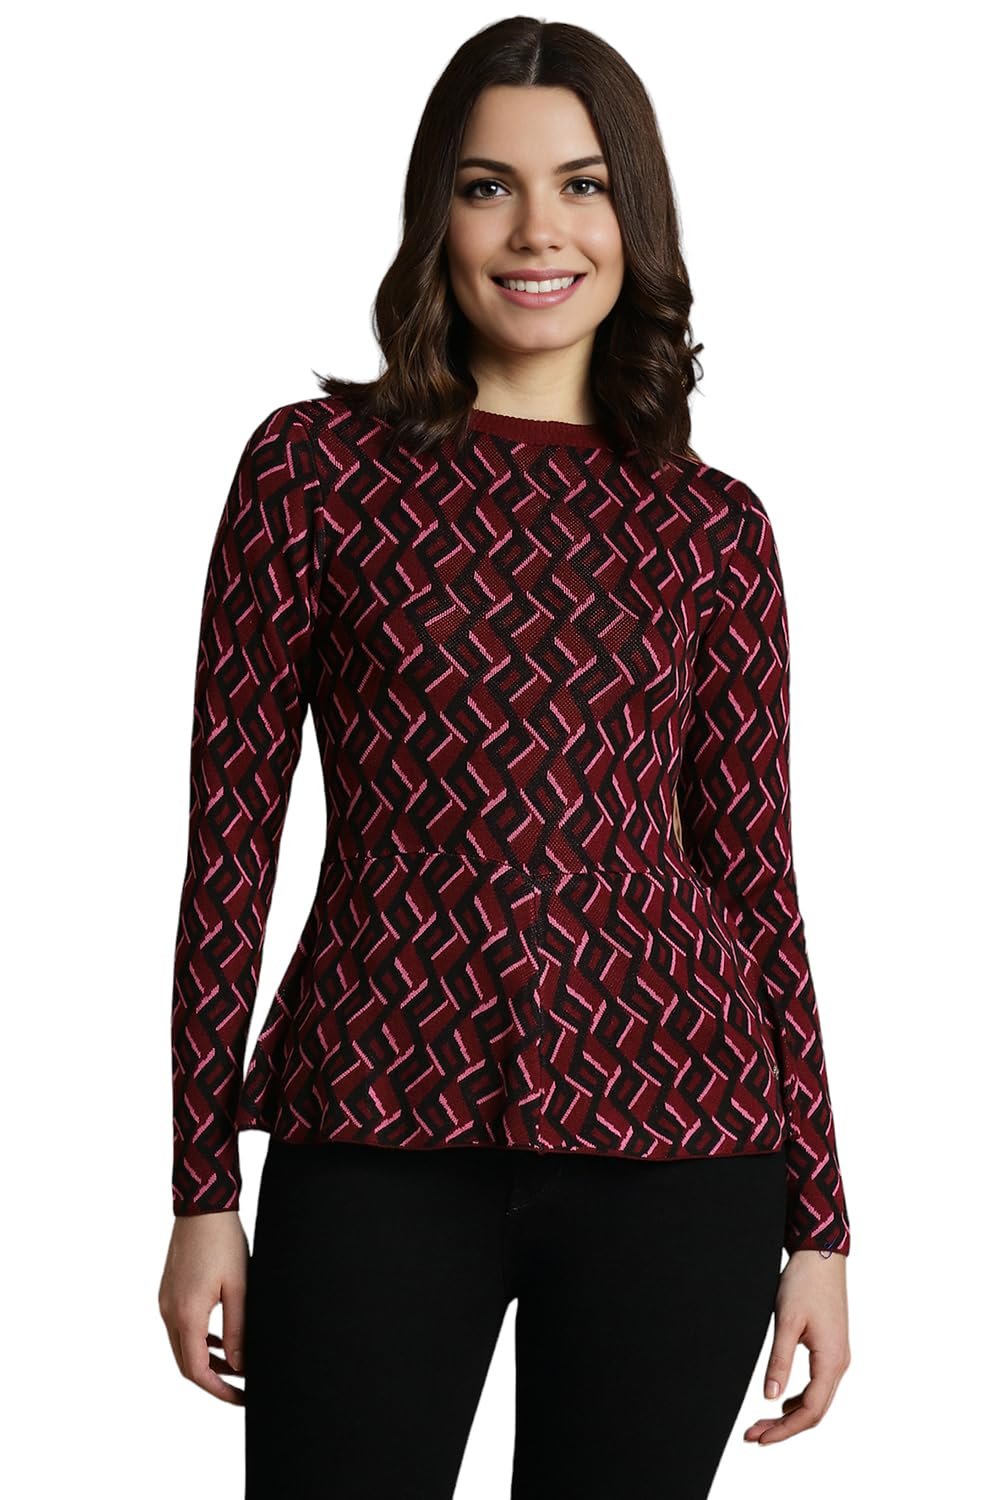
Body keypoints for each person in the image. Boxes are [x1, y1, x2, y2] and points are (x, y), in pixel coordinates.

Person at [158, 16, 851, 1498]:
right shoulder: (313, 472)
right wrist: (201, 1188)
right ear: (437, 216)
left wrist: (824, 1222)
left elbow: (754, 879)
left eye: (583, 185)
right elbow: (229, 846)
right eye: (489, 187)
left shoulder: (713, 527)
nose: (540, 230)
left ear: (633, 217)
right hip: (375, 1125)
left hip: (683, 1144)